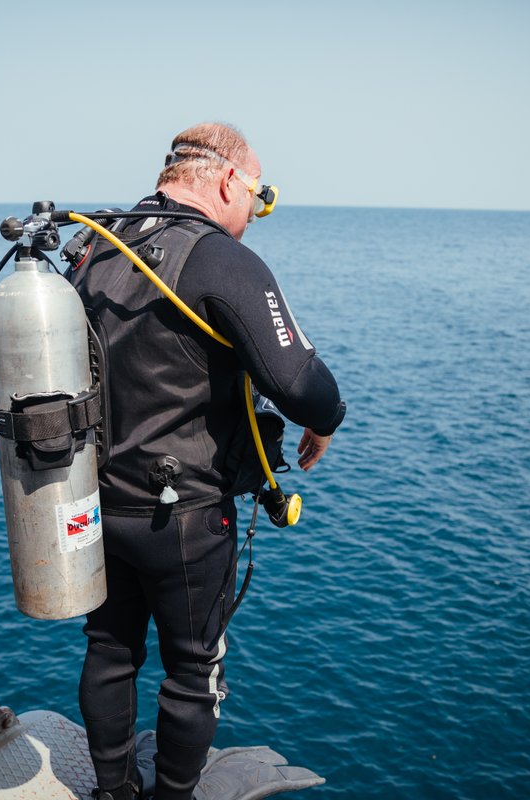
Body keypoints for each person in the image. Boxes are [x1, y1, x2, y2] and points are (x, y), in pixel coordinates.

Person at [69, 122, 345, 800]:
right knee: (194, 670)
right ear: (229, 181)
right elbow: (298, 379)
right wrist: (327, 420)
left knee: (109, 652)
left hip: (97, 503)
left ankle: (112, 791)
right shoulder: (220, 260)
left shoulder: (96, 246)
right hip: (184, 518)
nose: (256, 213)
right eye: (262, 197)